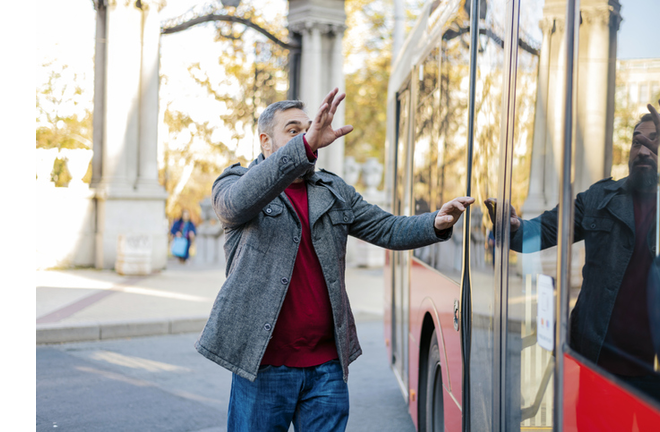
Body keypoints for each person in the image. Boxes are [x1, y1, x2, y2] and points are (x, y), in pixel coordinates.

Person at [195, 88, 475, 432]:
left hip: (326, 367)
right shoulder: (235, 183)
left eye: (309, 127)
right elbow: (236, 204)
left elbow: (386, 228)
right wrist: (306, 147)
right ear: (265, 142)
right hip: (264, 367)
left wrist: (434, 223)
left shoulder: (333, 190)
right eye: (294, 131)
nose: (308, 135)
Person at [484, 99, 660, 414]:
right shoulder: (597, 199)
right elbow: (540, 233)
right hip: (600, 364)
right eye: (636, 142)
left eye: (655, 142)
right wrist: (513, 227)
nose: (643, 150)